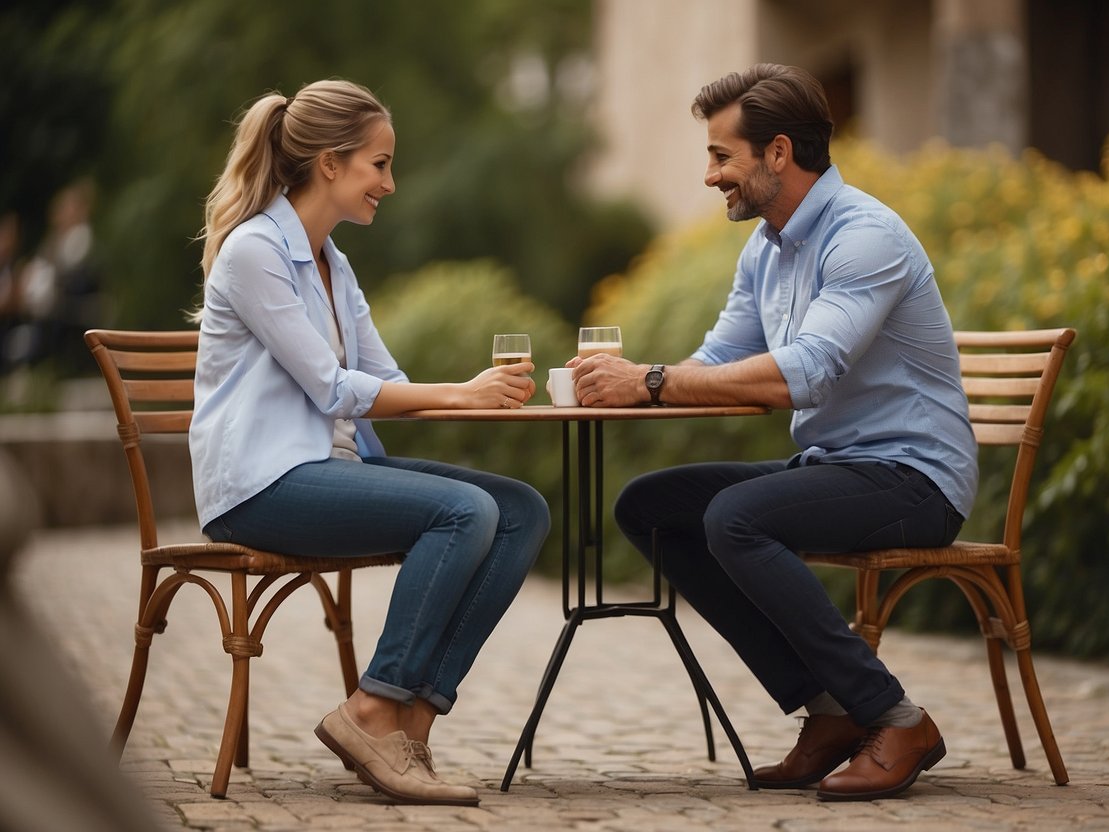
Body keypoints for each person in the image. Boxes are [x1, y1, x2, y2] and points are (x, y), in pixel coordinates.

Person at [570, 64, 977, 802]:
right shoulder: (766, 247)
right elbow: (717, 362)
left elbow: (805, 374)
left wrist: (654, 381)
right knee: (651, 509)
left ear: (778, 153)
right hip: (833, 465)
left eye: (721, 157)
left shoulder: (864, 237)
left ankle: (894, 717)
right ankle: (827, 712)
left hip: (913, 477)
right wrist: (620, 387)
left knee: (736, 518)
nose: (708, 176)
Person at [190, 79, 550, 806]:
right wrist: (458, 394)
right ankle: (369, 711)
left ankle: (408, 723)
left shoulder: (333, 261)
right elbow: (332, 387)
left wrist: (482, 394)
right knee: (463, 511)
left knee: (520, 510)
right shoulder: (255, 251)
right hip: (260, 485)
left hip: (331, 468)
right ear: (329, 163)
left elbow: (384, 379)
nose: (389, 182)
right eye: (377, 165)